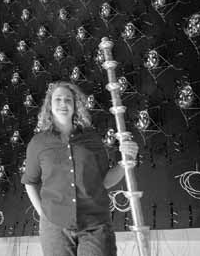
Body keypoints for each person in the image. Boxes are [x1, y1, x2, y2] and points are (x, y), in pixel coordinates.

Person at [21, 81, 139, 256]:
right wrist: (44, 216)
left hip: (95, 224)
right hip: (55, 228)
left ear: (75, 105)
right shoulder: (38, 143)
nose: (63, 104)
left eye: (68, 100)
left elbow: (104, 181)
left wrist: (125, 162)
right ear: (49, 105)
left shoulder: (91, 138)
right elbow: (29, 182)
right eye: (58, 99)